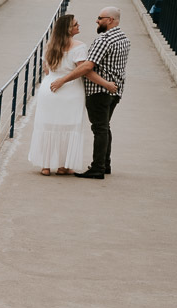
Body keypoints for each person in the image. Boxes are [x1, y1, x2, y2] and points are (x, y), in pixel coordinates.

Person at [28, 15, 117, 176]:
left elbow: (46, 70)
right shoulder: (79, 46)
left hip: (49, 88)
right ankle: (63, 166)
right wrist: (106, 84)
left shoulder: (50, 46)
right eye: (75, 24)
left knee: (47, 125)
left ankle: (45, 166)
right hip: (71, 90)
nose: (78, 25)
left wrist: (56, 77)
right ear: (68, 29)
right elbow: (85, 71)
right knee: (68, 126)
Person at [51, 7, 131, 179]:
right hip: (116, 90)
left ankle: (97, 168)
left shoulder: (104, 39)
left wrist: (62, 80)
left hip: (99, 91)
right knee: (105, 127)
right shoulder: (124, 38)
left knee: (99, 128)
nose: (96, 20)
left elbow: (87, 67)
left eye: (100, 18)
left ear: (110, 20)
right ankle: (105, 164)